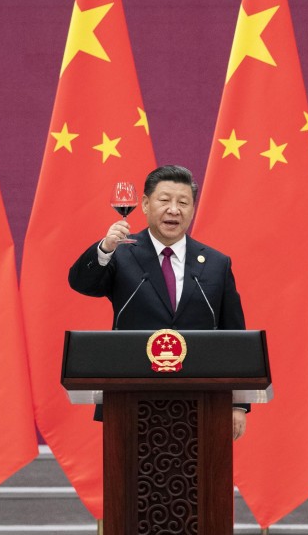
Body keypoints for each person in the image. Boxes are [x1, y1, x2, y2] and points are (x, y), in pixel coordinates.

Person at [68, 164, 248, 440]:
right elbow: (82, 283)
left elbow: (234, 335)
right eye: (164, 200)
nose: (174, 209)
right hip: (130, 397)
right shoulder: (122, 253)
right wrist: (104, 249)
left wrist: (238, 403)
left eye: (183, 202)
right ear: (145, 204)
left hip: (201, 398)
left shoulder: (215, 263)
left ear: (192, 209)